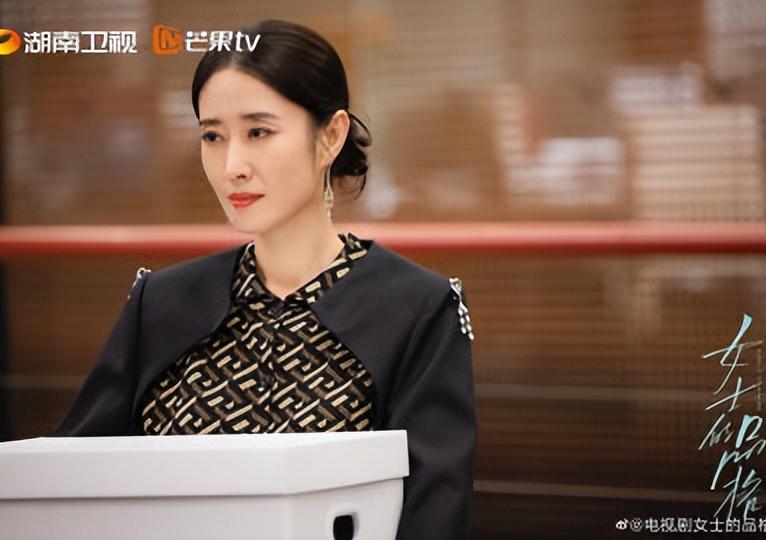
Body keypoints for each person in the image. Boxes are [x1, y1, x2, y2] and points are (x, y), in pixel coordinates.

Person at [54, 19, 477, 540]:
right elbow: (69, 483)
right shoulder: (160, 302)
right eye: (213, 136)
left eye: (259, 132)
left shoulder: (417, 309)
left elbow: (433, 513)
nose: (232, 165)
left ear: (331, 136)